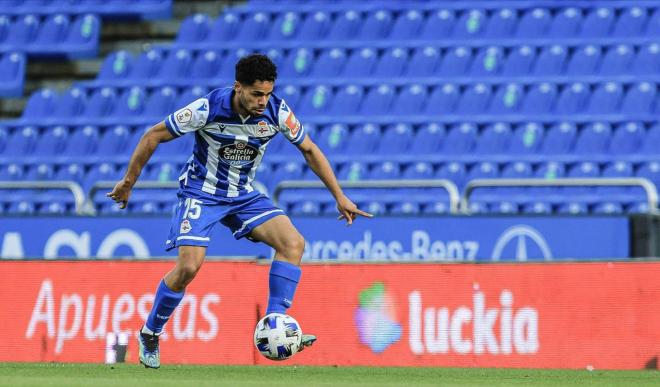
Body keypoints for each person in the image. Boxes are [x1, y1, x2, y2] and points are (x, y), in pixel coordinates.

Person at [106, 54, 372, 368]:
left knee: (293, 244)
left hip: (243, 196)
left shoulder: (277, 112)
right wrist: (128, 181)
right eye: (256, 94)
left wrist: (339, 196)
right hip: (201, 193)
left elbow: (310, 150)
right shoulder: (207, 109)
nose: (263, 101)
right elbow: (154, 135)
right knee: (189, 268)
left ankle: (276, 322)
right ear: (238, 88)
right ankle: (151, 332)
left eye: (268, 94)